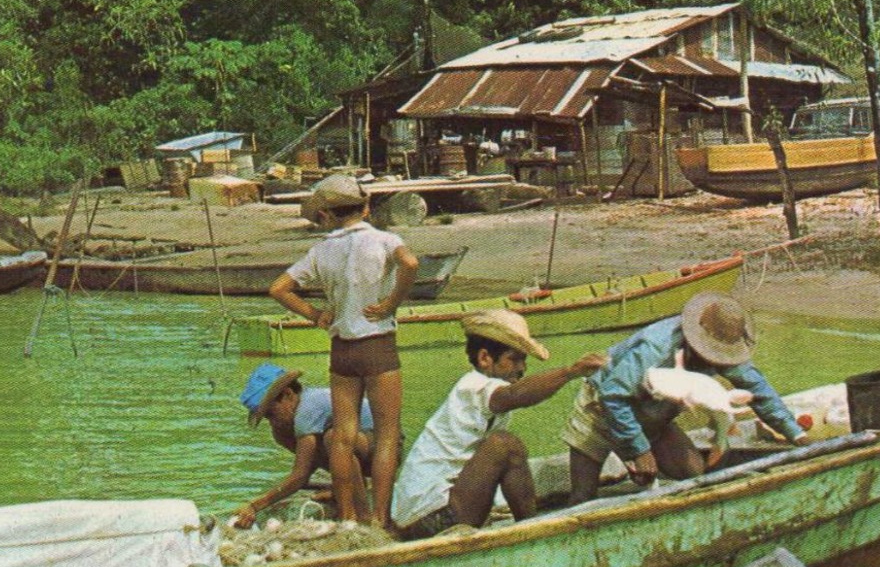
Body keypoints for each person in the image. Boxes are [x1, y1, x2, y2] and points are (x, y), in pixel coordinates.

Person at [268, 174, 419, 527]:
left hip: (342, 350)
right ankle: (379, 519)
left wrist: (316, 315)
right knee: (385, 434)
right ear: (366, 208)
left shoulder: (321, 250)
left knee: (343, 437)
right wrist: (391, 303)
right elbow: (410, 264)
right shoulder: (385, 239)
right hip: (378, 344)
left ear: (328, 215)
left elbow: (279, 288)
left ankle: (350, 515)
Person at [562, 292, 807, 504]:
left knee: (694, 472)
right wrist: (639, 449)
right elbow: (612, 395)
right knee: (583, 496)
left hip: (653, 415)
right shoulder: (656, 347)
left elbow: (759, 392)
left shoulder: (726, 345)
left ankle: (642, 472)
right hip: (600, 410)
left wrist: (796, 434)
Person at [391, 310, 606, 540]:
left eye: (523, 360)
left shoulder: (487, 393)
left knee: (505, 448)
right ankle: (533, 531)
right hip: (428, 519)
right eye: (514, 359)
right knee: (505, 445)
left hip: (427, 514)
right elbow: (517, 395)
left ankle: (529, 523)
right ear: (485, 358)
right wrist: (570, 372)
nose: (522, 368)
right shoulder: (473, 386)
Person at [232, 363, 376, 529]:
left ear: (288, 394)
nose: (272, 422)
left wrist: (255, 505)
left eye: (272, 413)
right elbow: (307, 469)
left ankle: (360, 516)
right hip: (354, 450)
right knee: (285, 436)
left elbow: (299, 476)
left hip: (376, 446)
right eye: (267, 417)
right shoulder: (287, 429)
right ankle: (343, 493)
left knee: (333, 438)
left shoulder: (308, 408)